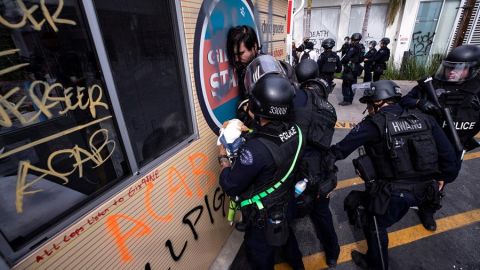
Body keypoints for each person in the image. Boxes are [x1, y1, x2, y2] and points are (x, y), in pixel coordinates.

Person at [329, 80, 459, 270]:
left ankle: (376, 265)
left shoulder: (374, 124)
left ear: (378, 102)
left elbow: (340, 150)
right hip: (426, 190)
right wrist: (443, 178)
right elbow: (449, 157)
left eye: (369, 104)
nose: (368, 108)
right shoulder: (424, 118)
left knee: (374, 225)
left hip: (393, 193)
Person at [219, 66, 305, 269]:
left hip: (263, 216)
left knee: (260, 257)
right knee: (287, 238)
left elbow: (231, 184)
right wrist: (250, 133)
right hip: (287, 203)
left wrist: (222, 156)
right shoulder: (297, 131)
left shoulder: (256, 150)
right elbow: (275, 143)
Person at [399, 44, 480, 231]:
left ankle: (428, 210)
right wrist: (421, 103)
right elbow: (405, 100)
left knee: (442, 181)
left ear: (473, 70)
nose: (452, 72)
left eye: (459, 69)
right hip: (426, 143)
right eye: (450, 67)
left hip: (456, 143)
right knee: (417, 175)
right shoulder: (433, 84)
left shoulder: (477, 89)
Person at [293, 59, 340, 267]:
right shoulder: (329, 108)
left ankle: (293, 257)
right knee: (322, 214)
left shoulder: (296, 99)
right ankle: (332, 254)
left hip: (298, 166)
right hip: (321, 168)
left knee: (287, 212)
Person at [339, 33, 365, 106]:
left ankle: (346, 100)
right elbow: (362, 58)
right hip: (356, 68)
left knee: (346, 84)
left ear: (353, 39)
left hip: (350, 68)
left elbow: (347, 57)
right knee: (353, 84)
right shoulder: (362, 47)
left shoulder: (353, 47)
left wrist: (342, 62)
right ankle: (350, 99)